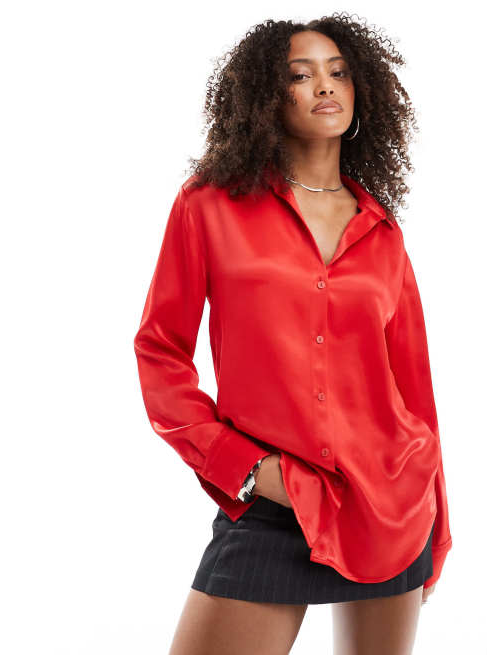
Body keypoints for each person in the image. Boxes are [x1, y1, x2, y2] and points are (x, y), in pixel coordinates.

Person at [133, 15, 452, 655]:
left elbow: (414, 389)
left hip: (389, 508)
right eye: (300, 76)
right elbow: (160, 352)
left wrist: (438, 529)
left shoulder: (382, 232)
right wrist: (248, 470)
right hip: (276, 505)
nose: (324, 86)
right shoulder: (209, 205)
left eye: (339, 72)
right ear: (264, 96)